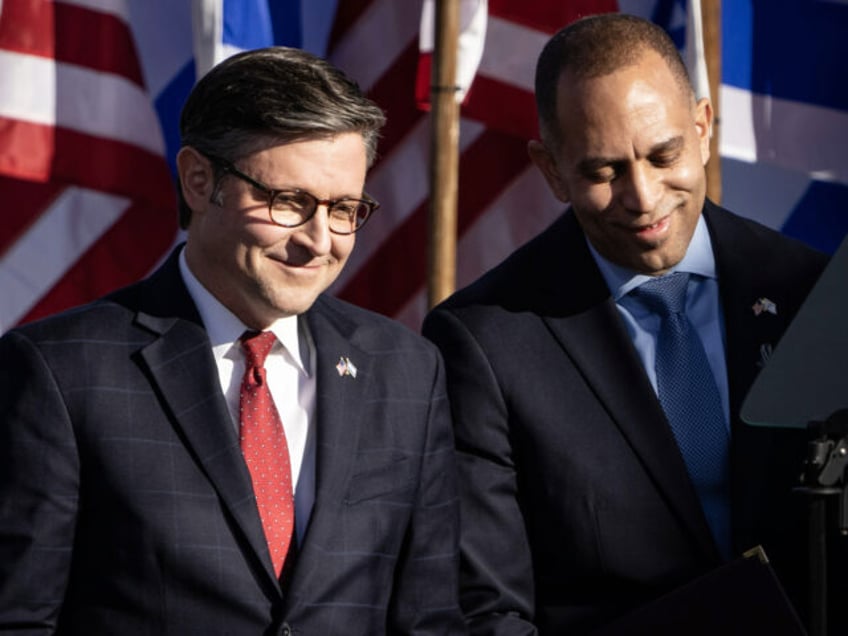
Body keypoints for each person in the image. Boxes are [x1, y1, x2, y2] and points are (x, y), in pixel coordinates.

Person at [0, 47, 463, 635]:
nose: (320, 241)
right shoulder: (60, 372)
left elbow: (431, 621)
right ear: (199, 180)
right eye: (289, 202)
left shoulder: (406, 371)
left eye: (344, 209)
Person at [423, 13, 840, 635]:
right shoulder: (485, 340)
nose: (642, 196)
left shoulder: (814, 294)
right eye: (602, 171)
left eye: (663, 154)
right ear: (551, 169)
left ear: (702, 129)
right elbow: (487, 609)